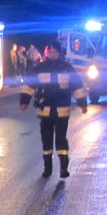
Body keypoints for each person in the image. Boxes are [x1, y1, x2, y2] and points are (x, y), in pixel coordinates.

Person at [20, 41, 88, 178]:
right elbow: (29, 86)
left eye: (55, 52)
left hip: (62, 110)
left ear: (59, 53)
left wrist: (82, 104)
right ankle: (48, 169)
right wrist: (24, 101)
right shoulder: (40, 68)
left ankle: (63, 169)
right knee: (47, 140)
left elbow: (77, 87)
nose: (53, 54)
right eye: (50, 52)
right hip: (44, 110)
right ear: (47, 53)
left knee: (61, 139)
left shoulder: (67, 68)